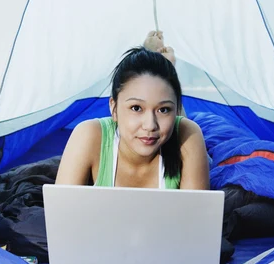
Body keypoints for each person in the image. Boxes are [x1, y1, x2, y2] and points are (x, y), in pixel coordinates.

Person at [55, 32, 210, 190]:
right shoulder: (87, 135)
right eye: (136, 108)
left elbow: (198, 213)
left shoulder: (188, 134)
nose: (150, 125)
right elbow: (61, 211)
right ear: (113, 108)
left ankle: (165, 64)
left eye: (163, 110)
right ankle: (160, 62)